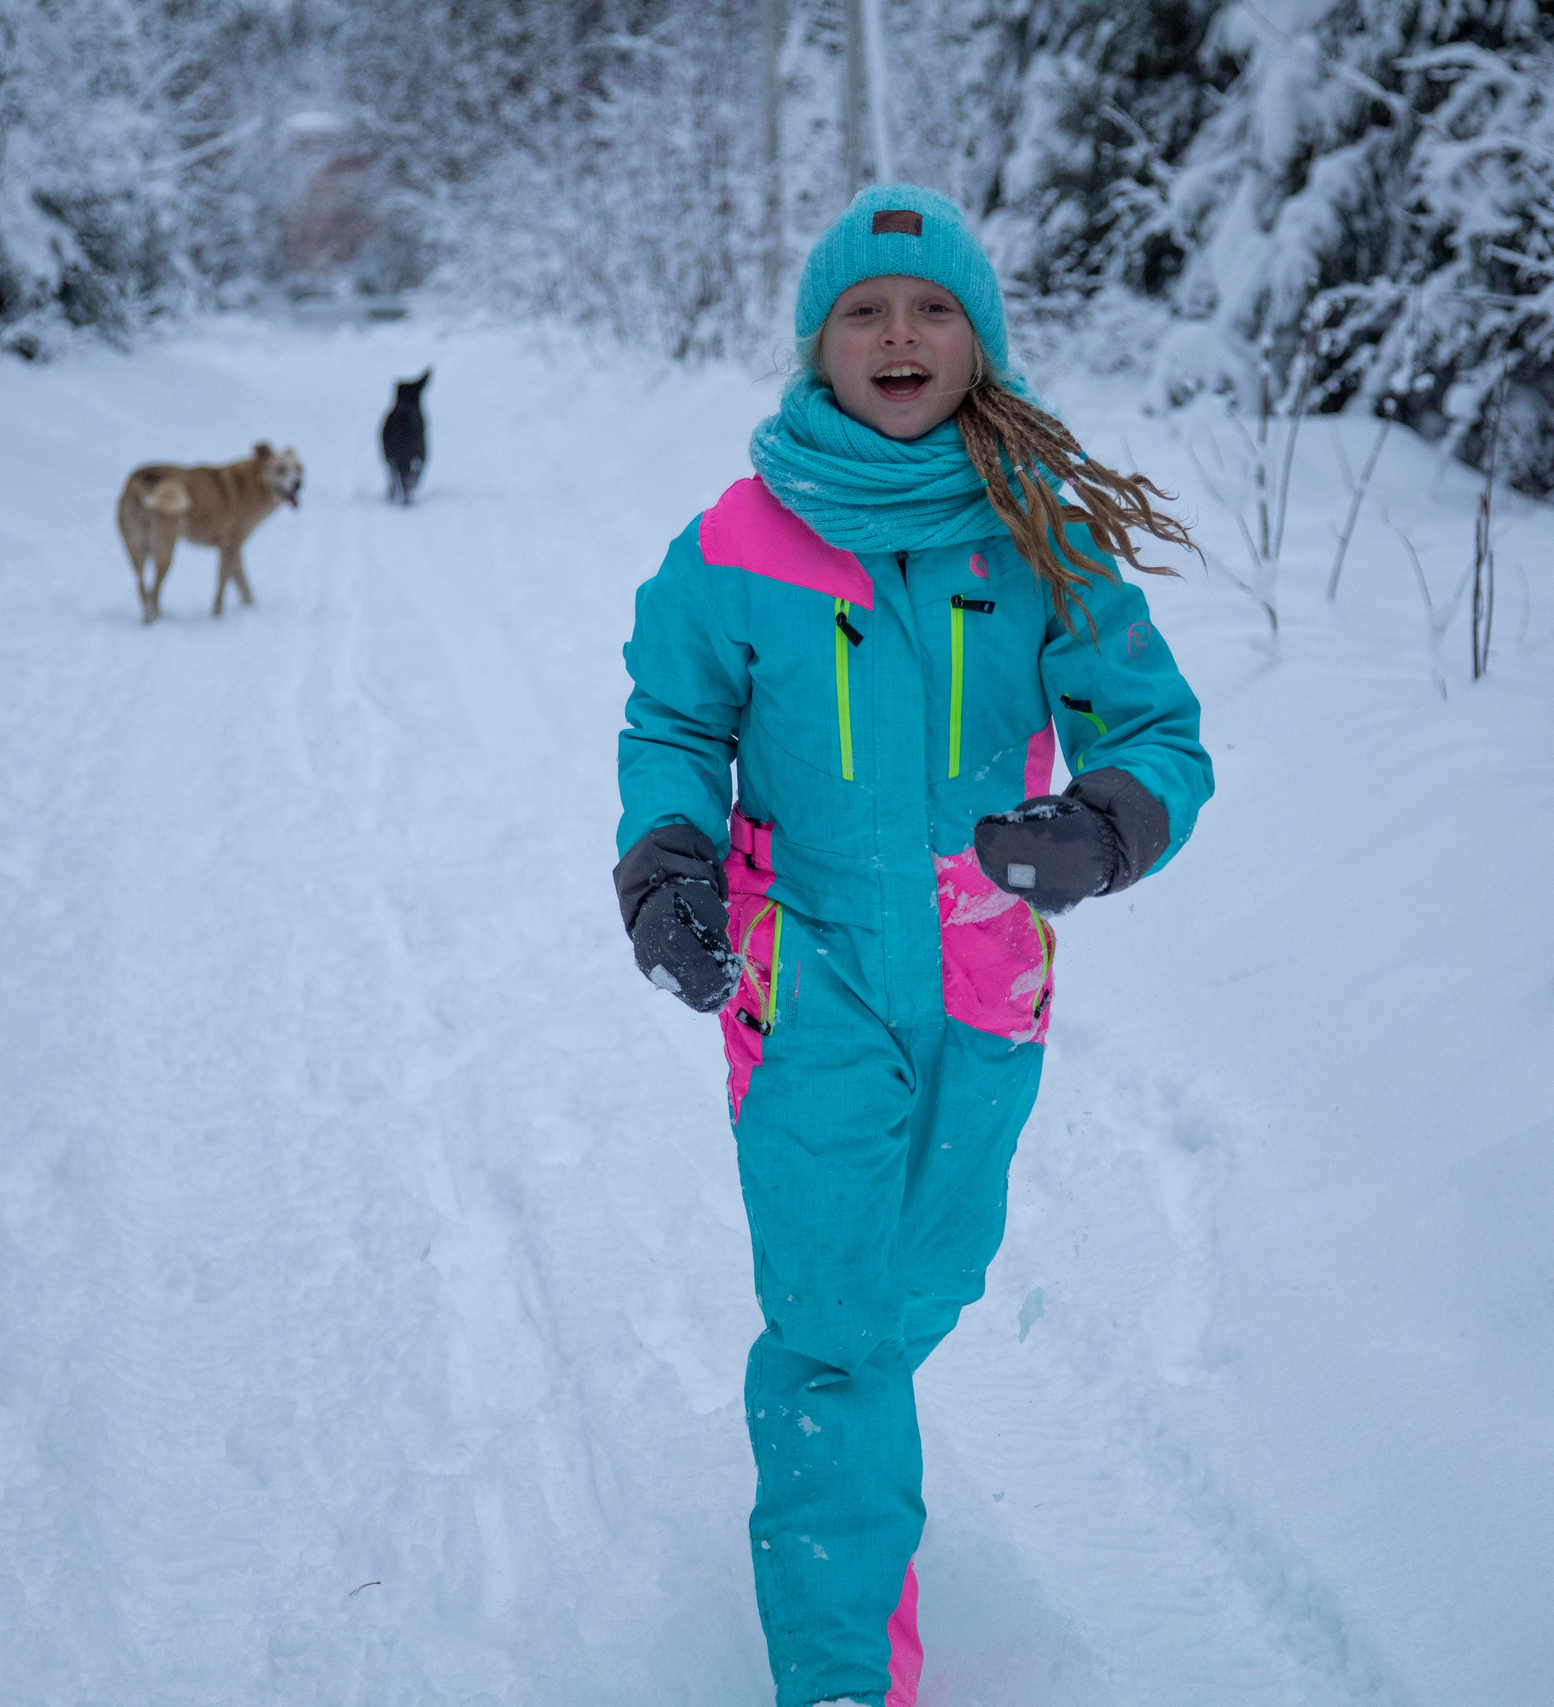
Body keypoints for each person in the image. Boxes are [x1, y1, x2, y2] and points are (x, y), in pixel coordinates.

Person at [613, 183, 1213, 1707]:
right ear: (819, 348)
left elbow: (1154, 728)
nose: (899, 332)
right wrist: (667, 860)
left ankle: (850, 1447)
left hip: (984, 981)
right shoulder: (735, 542)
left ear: (979, 342)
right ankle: (839, 1669)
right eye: (864, 311)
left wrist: (1104, 826)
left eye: (933, 307)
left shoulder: (1036, 536)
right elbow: (673, 721)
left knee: (921, 1284)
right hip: (798, 968)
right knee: (828, 1332)